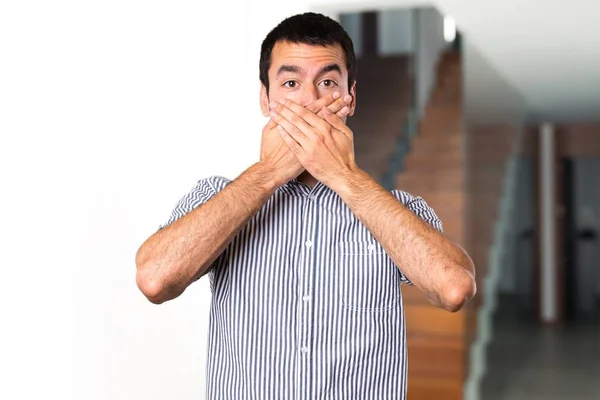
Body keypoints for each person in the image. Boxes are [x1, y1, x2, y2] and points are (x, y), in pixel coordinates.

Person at [135, 11, 476, 400]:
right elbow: (154, 279)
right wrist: (267, 173)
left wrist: (345, 176)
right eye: (291, 83)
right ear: (265, 98)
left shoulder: (397, 209)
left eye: (327, 82)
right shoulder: (219, 197)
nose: (310, 101)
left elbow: (454, 288)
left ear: (350, 99)